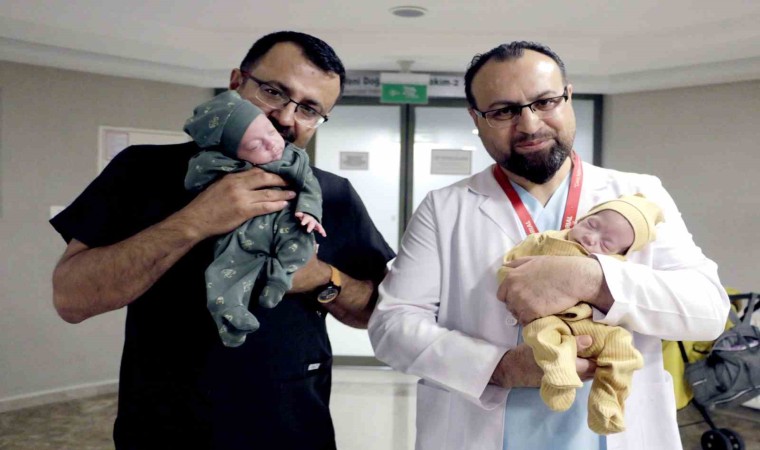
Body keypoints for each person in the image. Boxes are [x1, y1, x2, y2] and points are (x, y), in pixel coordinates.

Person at [368, 41, 729, 450]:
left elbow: (708, 310)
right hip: (479, 432)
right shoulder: (444, 208)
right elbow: (392, 325)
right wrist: (498, 367)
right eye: (503, 111)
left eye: (544, 102)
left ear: (568, 97)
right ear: (476, 117)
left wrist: (592, 279)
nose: (529, 125)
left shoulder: (639, 195)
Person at [51, 31, 395, 450]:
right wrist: (195, 221)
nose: (286, 118)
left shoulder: (331, 195)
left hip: (291, 427)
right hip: (161, 428)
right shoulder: (141, 170)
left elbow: (375, 310)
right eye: (273, 92)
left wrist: (324, 279)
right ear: (236, 83)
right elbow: (70, 299)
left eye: (309, 109)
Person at [498, 193, 663, 435]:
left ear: (620, 252)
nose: (590, 238)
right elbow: (509, 268)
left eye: (606, 244)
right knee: (545, 338)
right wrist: (512, 288)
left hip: (591, 321)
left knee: (622, 347)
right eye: (591, 224)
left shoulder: (616, 267)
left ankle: (607, 403)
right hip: (548, 317)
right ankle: (559, 380)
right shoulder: (546, 240)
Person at [184, 90, 326, 347]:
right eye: (254, 146)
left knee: (302, 245)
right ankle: (231, 316)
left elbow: (309, 185)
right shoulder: (216, 162)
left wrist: (309, 213)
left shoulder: (293, 158)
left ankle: (278, 280)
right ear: (232, 152)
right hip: (242, 232)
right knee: (224, 272)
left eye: (270, 133)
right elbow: (194, 181)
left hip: (285, 221)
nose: (271, 144)